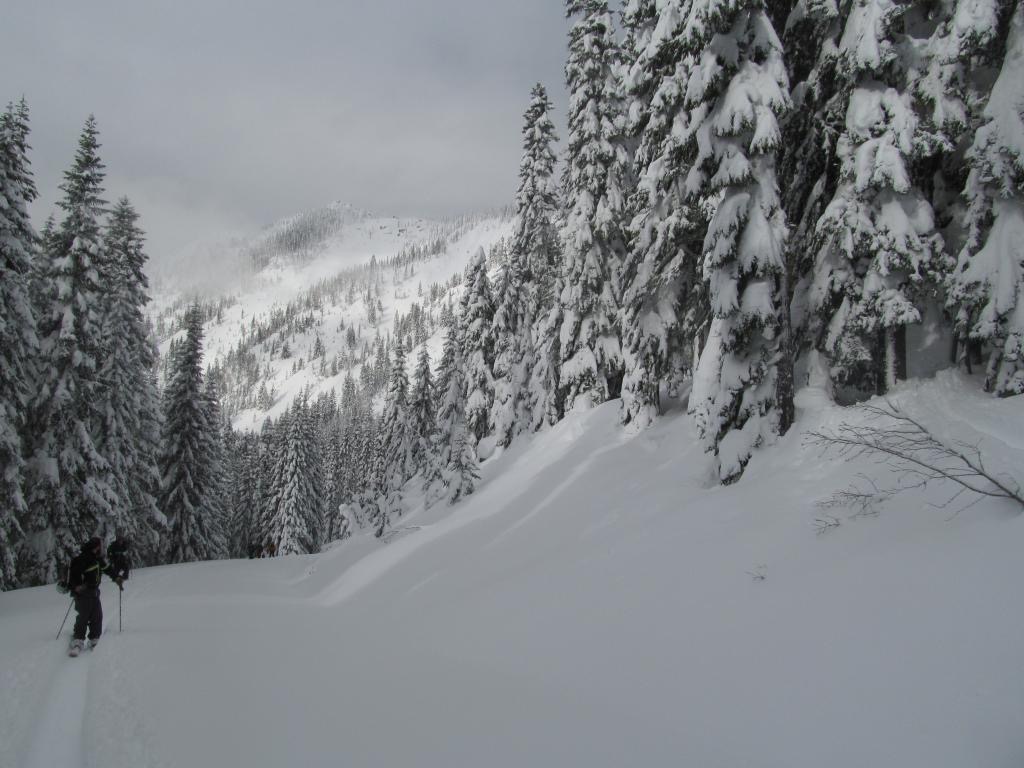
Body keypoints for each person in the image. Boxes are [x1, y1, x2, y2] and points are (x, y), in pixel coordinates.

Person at [66, 536, 122, 656]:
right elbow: (74, 576)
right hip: (83, 593)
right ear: (95, 547)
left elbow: (107, 569)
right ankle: (77, 642)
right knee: (83, 617)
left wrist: (116, 577)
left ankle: (94, 639)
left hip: (94, 592)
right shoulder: (83, 559)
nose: (101, 548)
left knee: (97, 616)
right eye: (100, 546)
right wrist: (76, 587)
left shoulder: (97, 559)